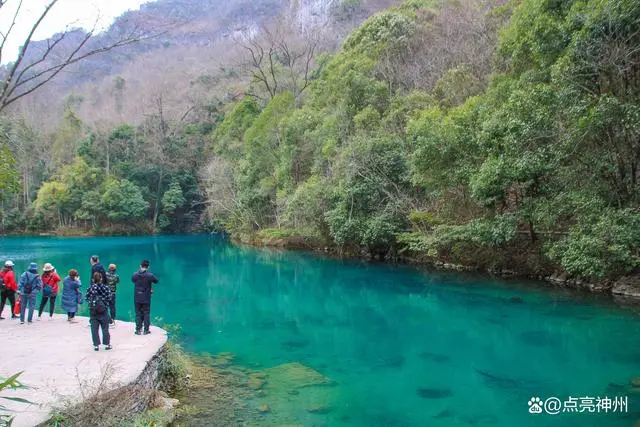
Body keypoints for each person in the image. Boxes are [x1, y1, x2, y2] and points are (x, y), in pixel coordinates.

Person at [86, 272, 112, 351]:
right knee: (105, 328)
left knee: (94, 328)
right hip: (103, 310)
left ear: (93, 279)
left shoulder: (90, 288)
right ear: (101, 279)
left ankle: (96, 345)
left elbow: (86, 298)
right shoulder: (106, 288)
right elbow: (109, 298)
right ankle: (107, 344)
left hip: (93, 311)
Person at [132, 260, 158, 335]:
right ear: (148, 267)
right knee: (146, 313)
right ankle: (146, 330)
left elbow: (133, 281)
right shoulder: (150, 275)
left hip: (137, 297)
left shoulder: (135, 274)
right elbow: (156, 281)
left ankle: (138, 330)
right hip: (146, 297)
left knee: (138, 313)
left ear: (140, 266)